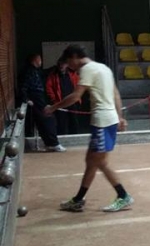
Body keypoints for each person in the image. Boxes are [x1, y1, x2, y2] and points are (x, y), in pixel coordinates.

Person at [44, 44, 133, 212]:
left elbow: (75, 96)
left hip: (102, 122)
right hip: (107, 120)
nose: (69, 66)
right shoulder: (103, 68)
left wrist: (53, 107)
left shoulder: (87, 70)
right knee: (91, 161)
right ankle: (78, 199)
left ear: (74, 57)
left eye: (69, 62)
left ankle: (123, 196)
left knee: (100, 162)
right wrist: (120, 117)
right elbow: (115, 94)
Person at [19, 53, 64, 152]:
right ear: (35, 60)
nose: (41, 62)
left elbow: (45, 72)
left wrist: (57, 67)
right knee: (47, 119)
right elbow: (23, 86)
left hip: (38, 98)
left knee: (46, 120)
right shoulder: (28, 72)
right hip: (35, 99)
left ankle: (50, 143)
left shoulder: (34, 71)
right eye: (40, 60)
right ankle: (53, 144)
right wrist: (26, 99)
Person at [46, 59, 80, 135]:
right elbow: (49, 88)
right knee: (61, 125)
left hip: (72, 102)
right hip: (60, 103)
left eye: (63, 64)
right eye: (60, 64)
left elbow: (78, 86)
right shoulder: (53, 75)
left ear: (67, 65)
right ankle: (62, 139)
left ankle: (74, 138)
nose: (61, 66)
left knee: (74, 123)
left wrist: (77, 98)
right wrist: (54, 100)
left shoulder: (73, 74)